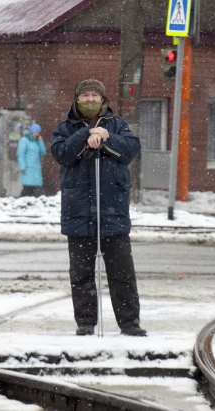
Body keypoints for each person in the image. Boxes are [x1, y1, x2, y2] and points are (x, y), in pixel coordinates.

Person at [51, 79, 146, 337]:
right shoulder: (64, 128)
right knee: (81, 275)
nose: (90, 100)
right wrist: (85, 135)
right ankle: (85, 322)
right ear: (77, 99)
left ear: (103, 99)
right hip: (78, 215)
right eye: (85, 96)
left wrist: (107, 136)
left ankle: (129, 323)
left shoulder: (119, 125)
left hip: (112, 213)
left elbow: (130, 149)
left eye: (95, 95)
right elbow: (61, 153)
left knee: (122, 273)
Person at [18, 123, 47, 197]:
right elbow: (21, 155)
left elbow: (43, 152)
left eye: (38, 132)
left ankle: (31, 204)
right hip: (28, 168)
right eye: (36, 132)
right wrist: (22, 167)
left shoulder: (36, 141)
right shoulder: (24, 140)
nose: (37, 134)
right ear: (31, 131)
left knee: (35, 189)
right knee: (27, 188)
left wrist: (40, 141)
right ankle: (22, 203)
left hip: (36, 168)